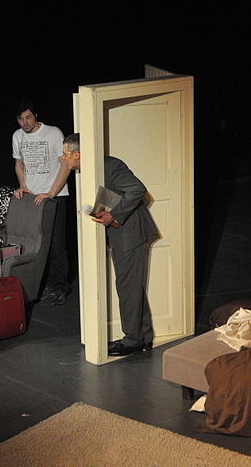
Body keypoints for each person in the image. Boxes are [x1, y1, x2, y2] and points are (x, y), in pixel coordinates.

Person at [59, 133, 158, 357]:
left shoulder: (110, 165)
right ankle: (142, 336)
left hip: (130, 234)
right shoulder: (90, 170)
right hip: (122, 235)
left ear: (77, 154)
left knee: (127, 288)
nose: (63, 158)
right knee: (132, 287)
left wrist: (114, 215)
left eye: (65, 154)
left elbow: (137, 189)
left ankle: (133, 340)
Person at [12, 99, 70, 305]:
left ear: (35, 116)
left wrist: (51, 193)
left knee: (56, 245)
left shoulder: (53, 133)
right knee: (37, 245)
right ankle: (43, 285)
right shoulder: (17, 136)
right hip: (32, 198)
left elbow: (66, 164)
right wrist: (23, 186)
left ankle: (60, 287)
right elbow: (19, 164)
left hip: (54, 197)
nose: (25, 122)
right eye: (21, 119)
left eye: (28, 117)